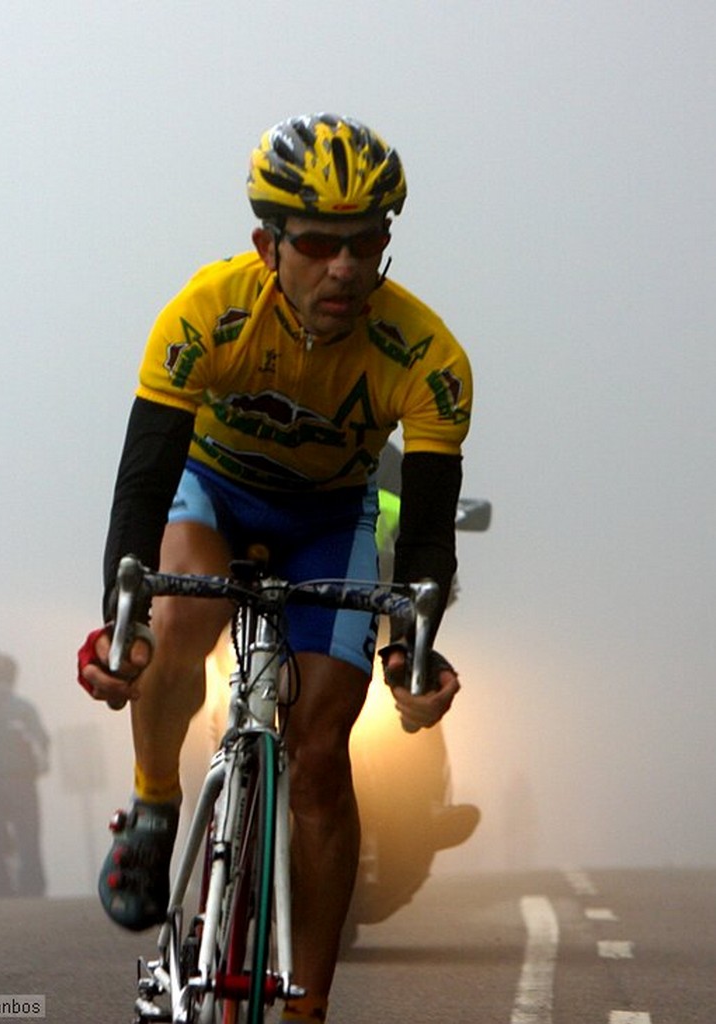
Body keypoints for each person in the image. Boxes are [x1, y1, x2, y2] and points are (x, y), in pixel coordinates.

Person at [78, 113, 473, 1023]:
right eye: (318, 243)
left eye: (367, 241)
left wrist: (415, 655)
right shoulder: (203, 313)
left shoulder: (429, 355)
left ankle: (308, 1008)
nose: (345, 266)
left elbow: (425, 541)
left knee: (326, 752)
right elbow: (142, 487)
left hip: (330, 521)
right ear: (268, 244)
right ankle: (150, 810)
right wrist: (120, 627)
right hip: (211, 496)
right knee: (175, 622)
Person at [0, 649, 49, 897]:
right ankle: (32, 886)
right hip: (22, 778)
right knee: (28, 835)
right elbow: (40, 741)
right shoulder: (23, 708)